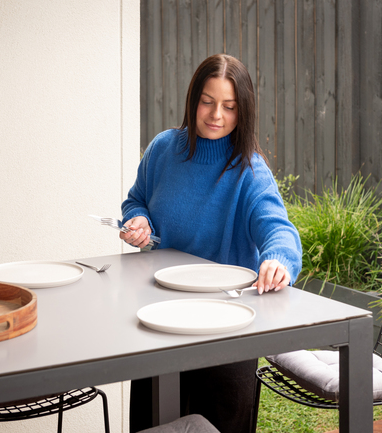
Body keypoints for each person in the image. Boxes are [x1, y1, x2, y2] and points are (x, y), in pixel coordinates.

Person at [121, 54, 302, 433]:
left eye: (229, 106)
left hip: (227, 326)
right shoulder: (163, 149)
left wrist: (279, 260)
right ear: (193, 100)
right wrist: (138, 219)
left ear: (243, 110)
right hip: (158, 315)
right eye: (207, 101)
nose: (216, 115)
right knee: (152, 423)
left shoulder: (249, 170)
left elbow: (278, 230)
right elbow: (136, 200)